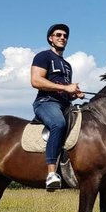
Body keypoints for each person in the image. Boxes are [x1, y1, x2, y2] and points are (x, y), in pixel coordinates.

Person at [31, 23, 85, 189]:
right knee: (58, 123)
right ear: (51, 39)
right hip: (46, 102)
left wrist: (74, 93)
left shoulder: (67, 65)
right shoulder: (43, 57)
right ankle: (51, 174)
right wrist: (64, 88)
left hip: (64, 104)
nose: (62, 38)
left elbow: (64, 89)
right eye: (58, 35)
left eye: (65, 36)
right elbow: (36, 81)